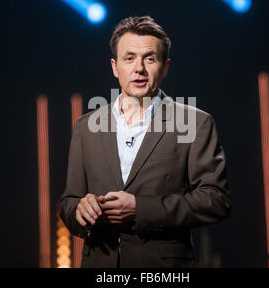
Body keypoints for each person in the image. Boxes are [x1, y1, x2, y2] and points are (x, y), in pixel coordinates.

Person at [59, 16, 230, 268]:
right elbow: (69, 202)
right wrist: (80, 211)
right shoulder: (86, 126)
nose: (139, 68)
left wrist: (141, 208)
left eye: (149, 58)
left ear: (166, 66)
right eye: (129, 58)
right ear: (115, 67)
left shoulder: (195, 122)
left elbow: (216, 200)